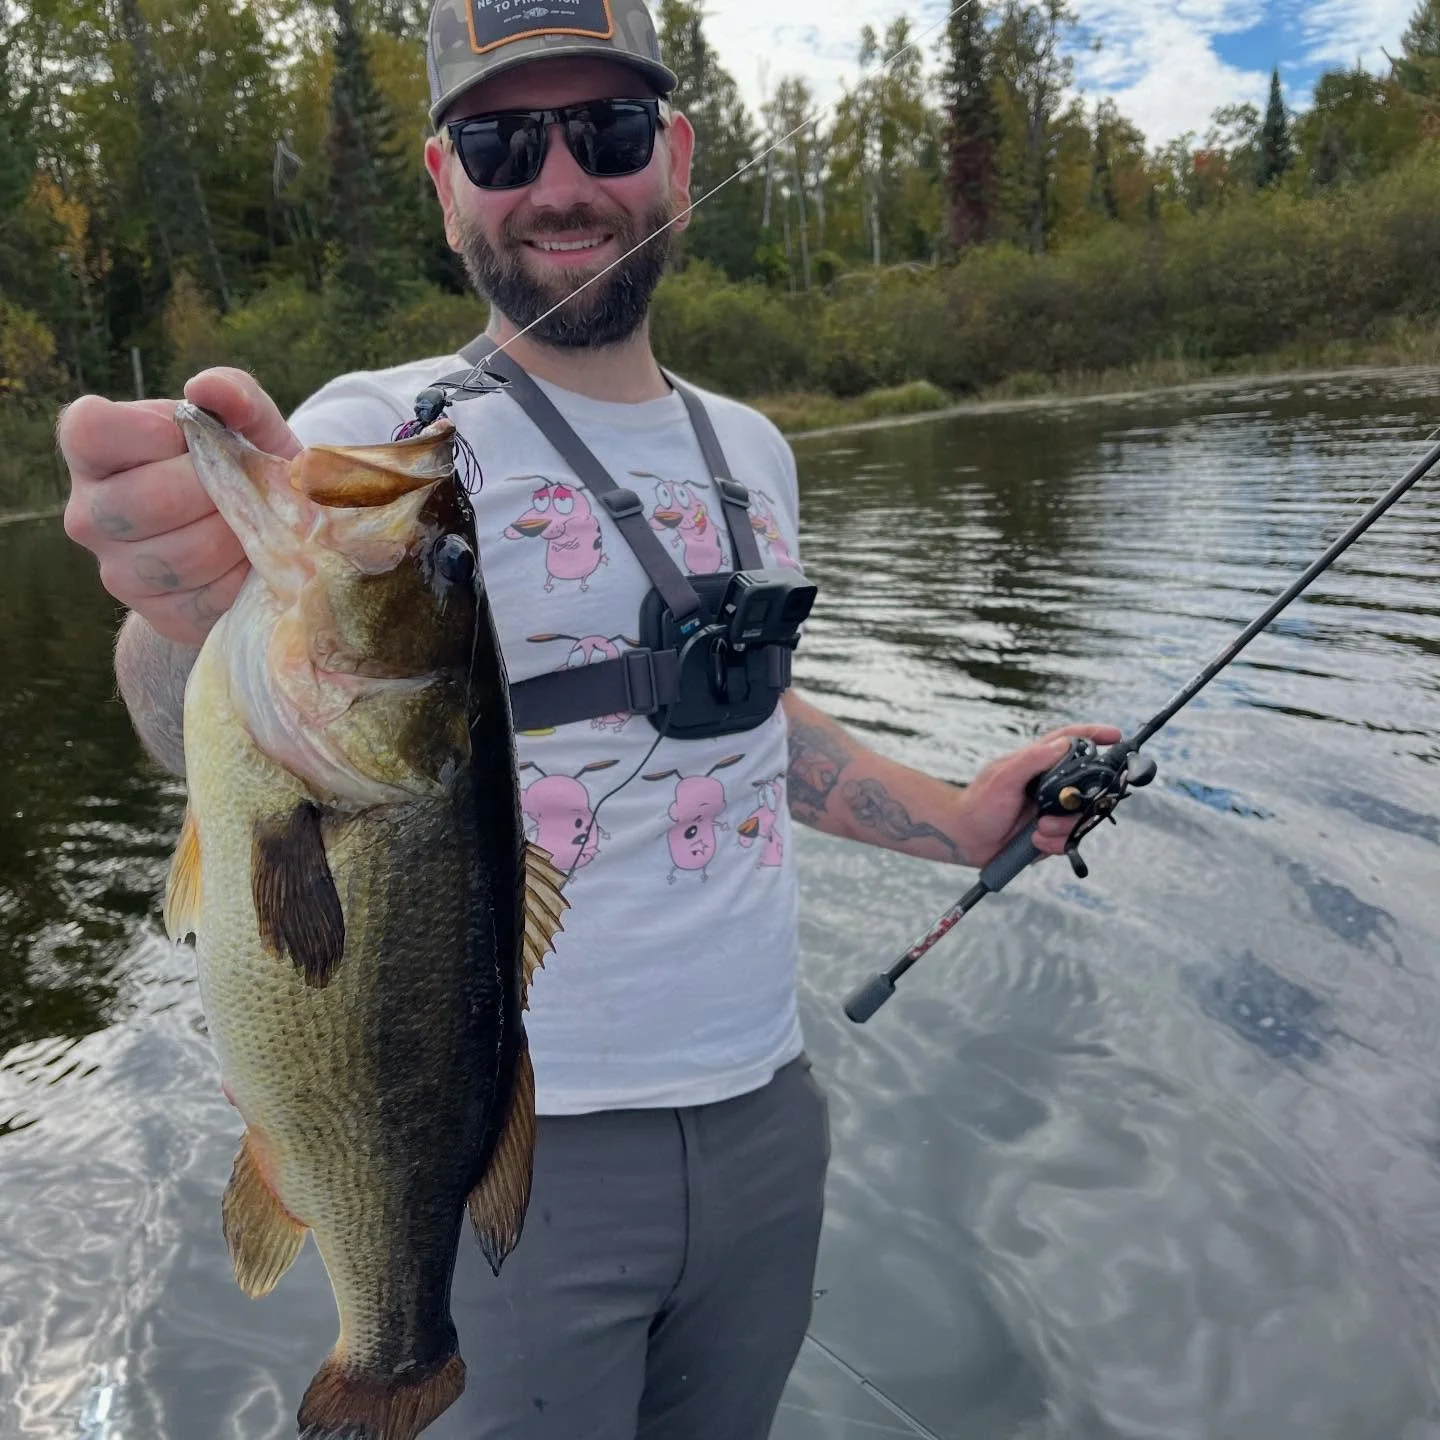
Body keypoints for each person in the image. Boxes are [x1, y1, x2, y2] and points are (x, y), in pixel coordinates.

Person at [58, 2, 1120, 1435]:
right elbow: (190, 705)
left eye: (605, 131)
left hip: (766, 1111)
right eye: (502, 145)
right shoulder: (372, 437)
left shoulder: (750, 447)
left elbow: (738, 715)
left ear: (673, 155)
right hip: (487, 1135)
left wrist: (954, 820)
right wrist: (178, 612)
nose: (559, 182)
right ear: (446, 187)